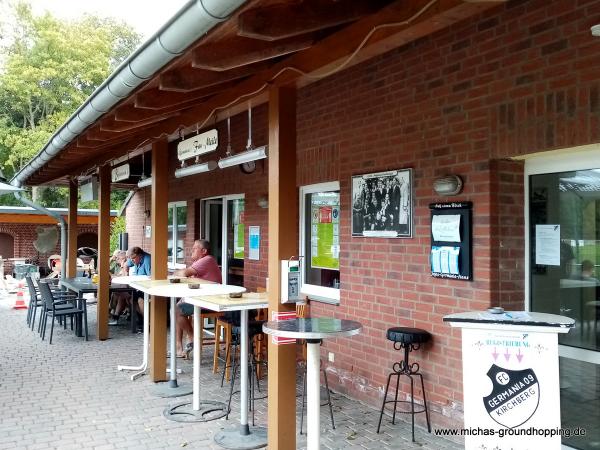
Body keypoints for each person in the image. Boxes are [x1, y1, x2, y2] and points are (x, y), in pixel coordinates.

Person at [175, 239, 222, 357]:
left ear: (204, 251)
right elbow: (182, 273)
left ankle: (192, 337)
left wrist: (184, 273)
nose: (192, 249)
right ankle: (178, 347)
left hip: (210, 301)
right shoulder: (200, 261)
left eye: (195, 248)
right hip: (200, 298)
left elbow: (183, 273)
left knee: (176, 310)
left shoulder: (207, 260)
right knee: (177, 307)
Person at [126, 246, 151, 327]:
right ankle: (142, 318)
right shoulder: (134, 258)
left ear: (140, 255)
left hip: (147, 288)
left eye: (133, 258)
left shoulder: (148, 260)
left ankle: (148, 323)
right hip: (139, 286)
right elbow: (127, 264)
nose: (132, 261)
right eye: (131, 259)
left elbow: (151, 278)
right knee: (129, 298)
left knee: (140, 300)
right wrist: (125, 271)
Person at [108, 250, 131, 326]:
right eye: (116, 258)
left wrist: (123, 265)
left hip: (131, 289)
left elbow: (125, 277)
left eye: (119, 258)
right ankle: (113, 314)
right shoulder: (117, 265)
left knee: (120, 294)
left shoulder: (127, 265)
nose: (116, 260)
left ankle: (113, 314)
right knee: (117, 293)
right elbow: (106, 270)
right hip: (124, 287)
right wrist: (111, 259)